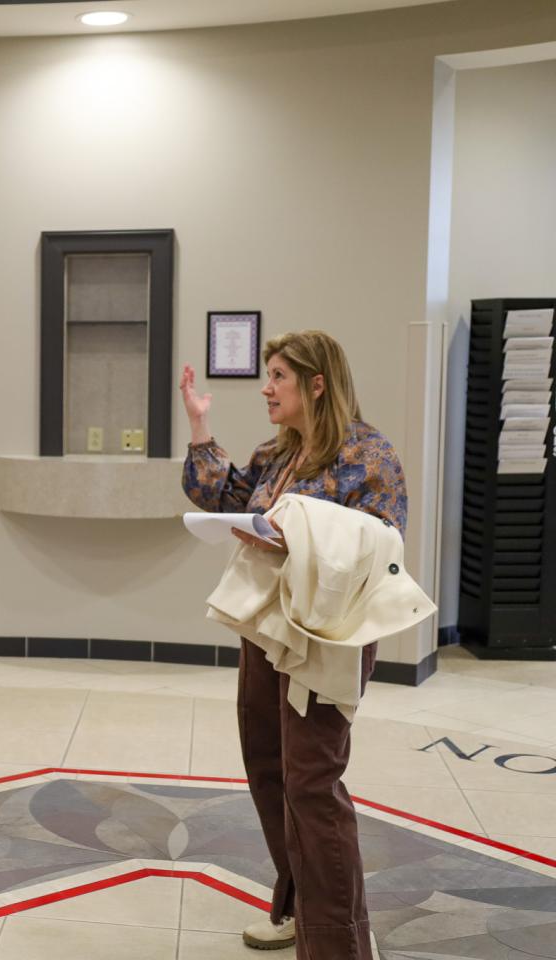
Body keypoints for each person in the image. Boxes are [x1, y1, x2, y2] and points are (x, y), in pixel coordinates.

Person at [179, 330, 406, 960]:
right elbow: (218, 494)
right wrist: (200, 426)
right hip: (266, 628)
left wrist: (292, 541)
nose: (266, 387)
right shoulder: (279, 453)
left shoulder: (368, 455)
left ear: (315, 384)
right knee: (269, 767)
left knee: (312, 781)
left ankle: (336, 945)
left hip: (327, 637)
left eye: (278, 375)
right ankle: (300, 903)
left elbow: (384, 545)